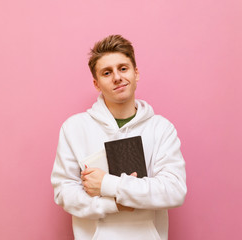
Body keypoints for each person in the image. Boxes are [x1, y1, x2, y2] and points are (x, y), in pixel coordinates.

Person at [51, 35, 187, 240]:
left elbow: (174, 191)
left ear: (136, 73)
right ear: (96, 83)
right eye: (107, 72)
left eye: (123, 68)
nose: (117, 77)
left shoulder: (161, 128)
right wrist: (113, 204)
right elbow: (64, 192)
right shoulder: (74, 128)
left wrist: (107, 184)